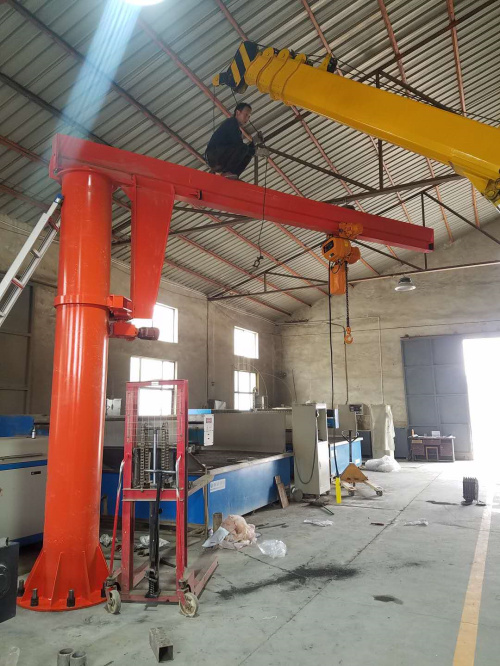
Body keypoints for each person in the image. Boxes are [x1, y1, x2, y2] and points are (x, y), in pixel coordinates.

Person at [206, 102, 257, 179]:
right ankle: (227, 172)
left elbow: (242, 150)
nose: (247, 118)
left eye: (249, 116)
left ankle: (233, 175)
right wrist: (254, 150)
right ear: (237, 113)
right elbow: (239, 145)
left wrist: (253, 143)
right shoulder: (231, 122)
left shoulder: (237, 129)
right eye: (246, 114)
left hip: (221, 155)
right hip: (214, 155)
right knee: (244, 148)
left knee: (247, 153)